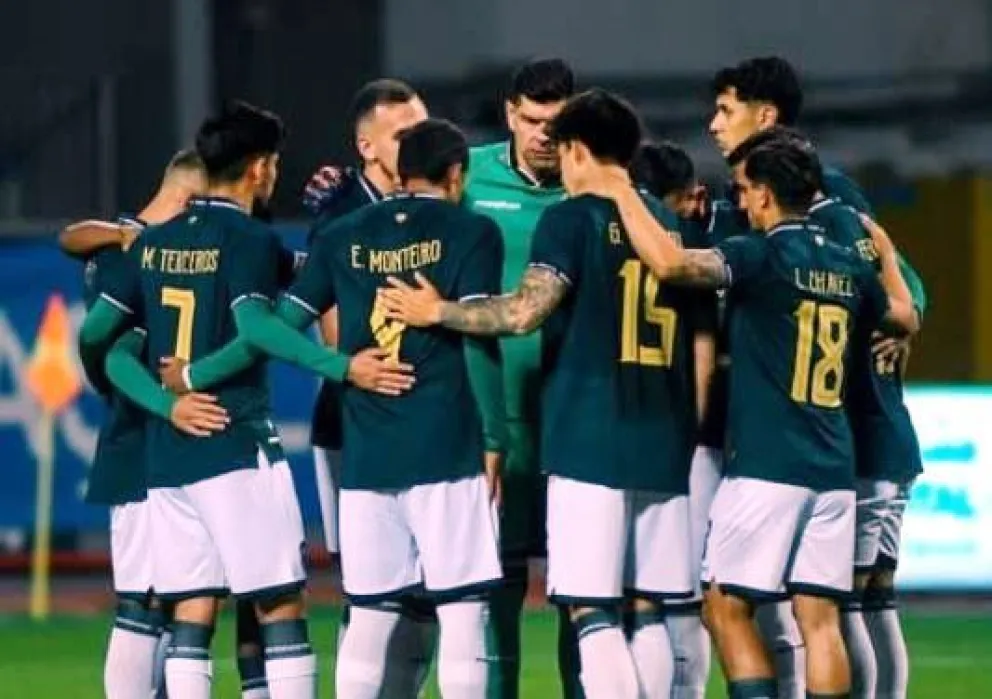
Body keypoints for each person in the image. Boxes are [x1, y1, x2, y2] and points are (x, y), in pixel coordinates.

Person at [379, 89, 703, 699]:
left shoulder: (570, 218)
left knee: (592, 608)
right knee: (647, 607)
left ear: (577, 149)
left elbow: (525, 313)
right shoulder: (664, 224)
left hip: (589, 433)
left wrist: (438, 310)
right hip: (663, 436)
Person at [594, 137, 919, 699]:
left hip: (768, 465)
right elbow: (906, 317)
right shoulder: (848, 265)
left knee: (724, 606)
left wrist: (622, 192)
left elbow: (673, 264)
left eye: (744, 191)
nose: (739, 203)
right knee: (819, 619)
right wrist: (887, 256)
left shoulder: (760, 254)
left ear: (765, 195)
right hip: (835, 469)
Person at [75, 100, 370, 699]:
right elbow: (259, 329)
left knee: (191, 607)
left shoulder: (152, 246)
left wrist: (165, 402)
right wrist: (343, 367)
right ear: (260, 168)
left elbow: (100, 344)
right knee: (280, 601)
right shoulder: (249, 239)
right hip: (234, 439)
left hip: (170, 454)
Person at [65, 150, 231, 699]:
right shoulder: (133, 254)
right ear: (188, 200)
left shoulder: (126, 246)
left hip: (157, 440)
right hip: (140, 440)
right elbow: (106, 344)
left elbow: (74, 238)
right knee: (143, 601)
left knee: (169, 596)